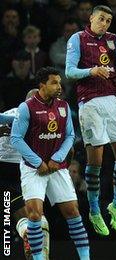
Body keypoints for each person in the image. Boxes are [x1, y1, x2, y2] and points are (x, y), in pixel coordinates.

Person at [65, 4, 116, 236]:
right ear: (91, 17)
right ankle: (94, 210)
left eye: (108, 20)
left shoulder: (113, 39)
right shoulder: (78, 38)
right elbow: (70, 72)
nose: (104, 23)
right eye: (101, 18)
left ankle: (115, 205)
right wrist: (91, 71)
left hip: (114, 100)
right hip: (90, 102)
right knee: (96, 160)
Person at [10, 67, 89, 260]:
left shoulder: (63, 106)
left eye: (60, 82)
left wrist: (57, 158)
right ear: (42, 84)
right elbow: (16, 139)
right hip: (33, 169)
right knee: (35, 215)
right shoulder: (26, 107)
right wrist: (38, 162)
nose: (59, 86)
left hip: (57, 167)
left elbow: (70, 135)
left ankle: (85, 258)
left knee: (73, 212)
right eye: (54, 82)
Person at [1, 89, 50, 259]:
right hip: (14, 168)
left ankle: (29, 236)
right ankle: (32, 239)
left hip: (22, 168)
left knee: (26, 214)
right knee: (31, 215)